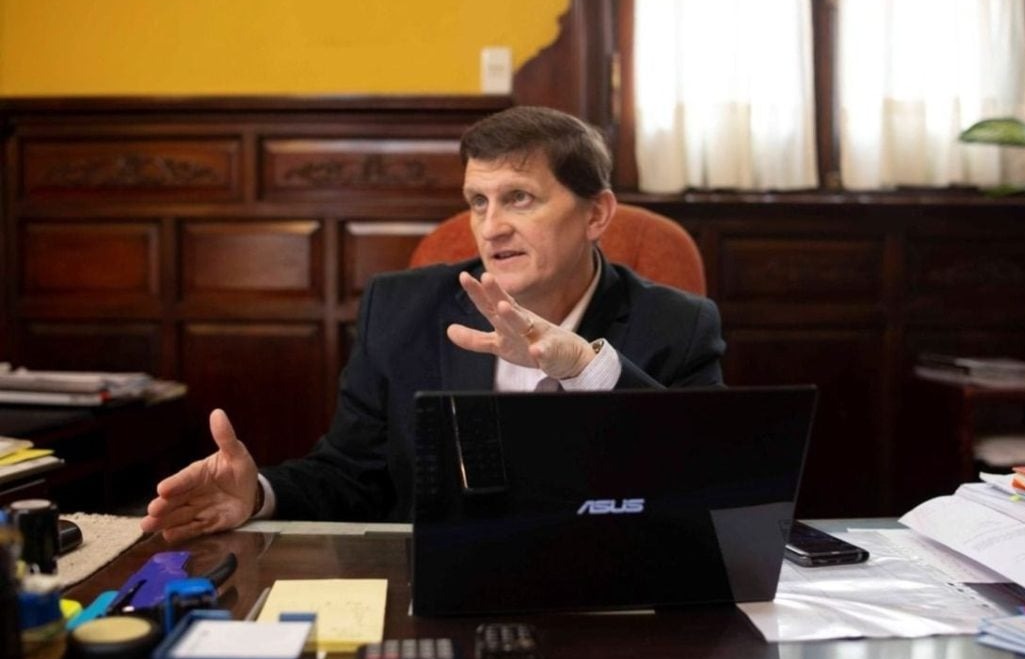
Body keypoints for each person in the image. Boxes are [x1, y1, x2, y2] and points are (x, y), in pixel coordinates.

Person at [140, 106, 726, 542]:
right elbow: (352, 474)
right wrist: (258, 494)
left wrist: (584, 367)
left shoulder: (678, 325)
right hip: (439, 583)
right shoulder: (401, 310)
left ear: (596, 214)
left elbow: (707, 487)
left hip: (606, 585)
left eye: (519, 198)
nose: (491, 228)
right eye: (478, 202)